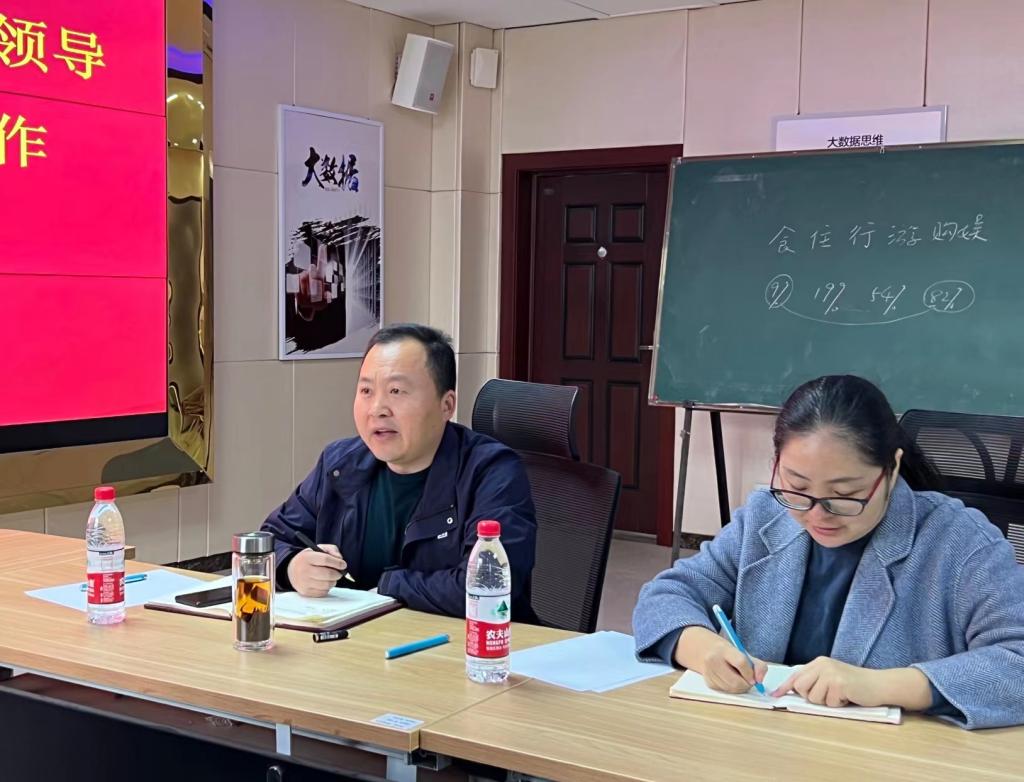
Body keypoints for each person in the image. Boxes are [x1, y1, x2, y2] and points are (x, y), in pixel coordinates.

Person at [633, 375, 1024, 729]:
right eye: (797, 487)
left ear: (892, 469)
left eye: (845, 495)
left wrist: (882, 685)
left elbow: (1017, 661)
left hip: (885, 759)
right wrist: (703, 649)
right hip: (762, 742)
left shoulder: (959, 542)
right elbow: (666, 596)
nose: (818, 514)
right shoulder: (766, 516)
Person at [262, 323, 537, 619]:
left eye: (396, 391)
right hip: (359, 640)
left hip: (468, 642)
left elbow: (488, 584)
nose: (377, 408)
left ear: (447, 405)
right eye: (366, 390)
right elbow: (267, 542)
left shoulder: (491, 472)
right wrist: (291, 567)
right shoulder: (340, 464)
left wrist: (389, 586)